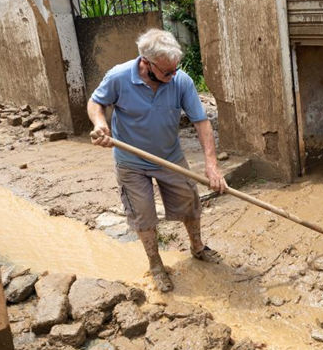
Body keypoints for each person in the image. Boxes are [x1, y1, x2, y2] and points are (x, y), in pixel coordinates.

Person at [87, 28, 228, 292]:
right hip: (131, 162)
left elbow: (201, 122)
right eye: (166, 71)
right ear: (146, 63)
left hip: (170, 157)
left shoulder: (181, 81)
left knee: (190, 202)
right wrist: (99, 123)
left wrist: (211, 164)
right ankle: (155, 264)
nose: (173, 75)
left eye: (175, 69)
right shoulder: (118, 77)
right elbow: (96, 103)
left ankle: (197, 247)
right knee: (144, 216)